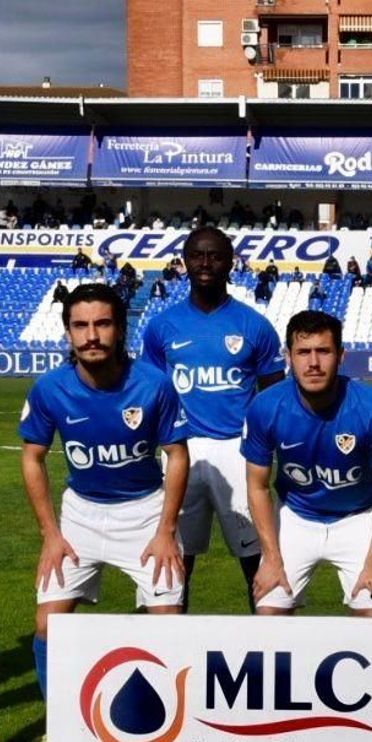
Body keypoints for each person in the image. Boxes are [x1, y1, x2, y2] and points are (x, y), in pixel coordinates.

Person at [17, 282, 189, 742]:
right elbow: (32, 459)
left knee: (169, 626)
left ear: (120, 327)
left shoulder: (153, 384)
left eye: (103, 324)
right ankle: (59, 731)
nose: (92, 335)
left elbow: (178, 456)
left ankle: (167, 736)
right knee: (48, 623)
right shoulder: (50, 388)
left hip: (144, 513)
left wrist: (165, 529)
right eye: (81, 326)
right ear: (68, 332)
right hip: (81, 515)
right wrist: (51, 535)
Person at [139, 226, 285, 609]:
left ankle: (267, 647)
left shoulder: (255, 325)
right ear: (184, 261)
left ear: (230, 262)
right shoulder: (161, 326)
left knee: (258, 558)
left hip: (238, 453)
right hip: (179, 451)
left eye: (215, 255)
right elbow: (150, 389)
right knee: (174, 559)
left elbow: (275, 395)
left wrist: (266, 450)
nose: (206, 263)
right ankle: (172, 650)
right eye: (197, 255)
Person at [243, 311, 372, 616]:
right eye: (303, 352)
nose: (313, 362)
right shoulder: (265, 407)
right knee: (268, 612)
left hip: (359, 518)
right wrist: (271, 558)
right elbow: (257, 487)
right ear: (288, 356)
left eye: (323, 351)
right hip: (295, 517)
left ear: (341, 355)